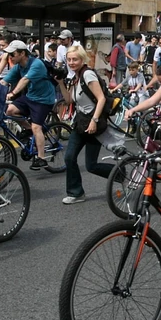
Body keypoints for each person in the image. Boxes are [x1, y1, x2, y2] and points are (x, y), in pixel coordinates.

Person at [62, 44, 115, 204]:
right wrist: (60, 82)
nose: (71, 62)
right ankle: (76, 193)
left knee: (91, 166)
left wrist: (94, 120)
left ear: (82, 59)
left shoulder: (88, 75)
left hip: (93, 124)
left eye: (75, 59)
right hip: (80, 123)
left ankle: (121, 172)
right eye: (69, 59)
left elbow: (101, 99)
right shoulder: (76, 77)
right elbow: (69, 100)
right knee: (69, 157)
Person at [1, 40, 56, 170]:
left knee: (37, 127)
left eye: (12, 54)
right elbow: (4, 81)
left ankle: (41, 158)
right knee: (9, 111)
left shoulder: (36, 64)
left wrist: (13, 93)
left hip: (43, 100)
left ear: (22, 53)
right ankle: (29, 129)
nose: (10, 57)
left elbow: (25, 80)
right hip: (30, 97)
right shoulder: (19, 66)